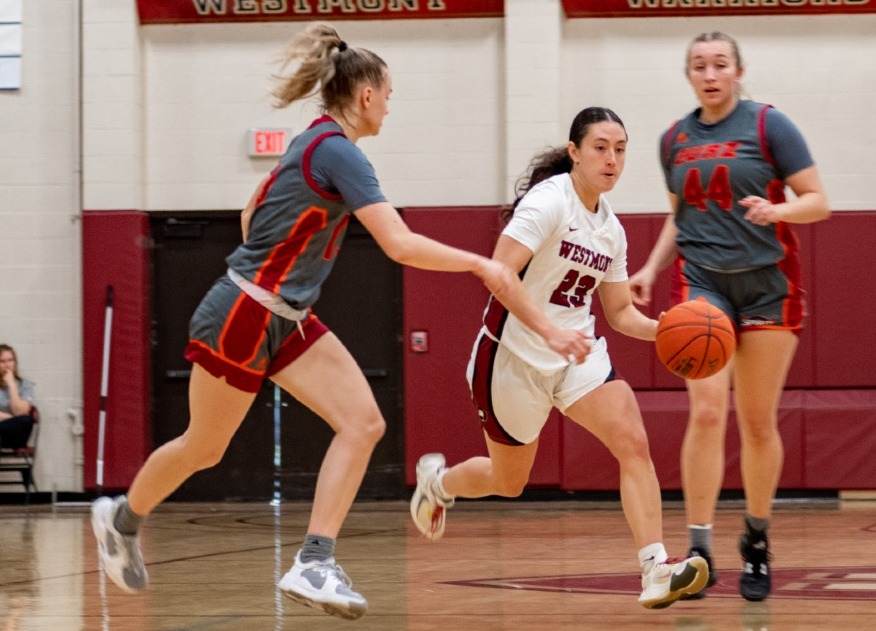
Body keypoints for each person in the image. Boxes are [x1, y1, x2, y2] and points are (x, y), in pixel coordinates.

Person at [90, 22, 526, 621]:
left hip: (284, 317)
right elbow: (397, 243)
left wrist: (283, 283)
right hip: (243, 312)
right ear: (367, 95)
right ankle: (120, 521)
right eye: (390, 96)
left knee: (363, 423)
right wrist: (482, 265)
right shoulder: (340, 151)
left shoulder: (313, 141)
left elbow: (250, 212)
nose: (390, 108)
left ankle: (314, 560)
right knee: (204, 448)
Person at [409, 106, 709, 609]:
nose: (612, 159)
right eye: (600, 148)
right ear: (574, 152)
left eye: (620, 149)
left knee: (633, 441)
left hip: (576, 355)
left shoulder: (611, 229)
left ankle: (655, 568)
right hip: (511, 357)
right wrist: (547, 331)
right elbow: (498, 273)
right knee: (509, 482)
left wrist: (672, 332)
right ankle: (437, 485)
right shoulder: (548, 203)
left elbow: (617, 313)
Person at [628, 31, 830, 601]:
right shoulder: (673, 139)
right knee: (708, 413)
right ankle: (698, 549)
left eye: (720, 64)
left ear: (739, 71)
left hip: (769, 287)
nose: (710, 74)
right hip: (702, 285)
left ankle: (757, 541)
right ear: (688, 75)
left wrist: (778, 209)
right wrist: (648, 267)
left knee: (758, 422)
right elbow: (680, 217)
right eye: (699, 65)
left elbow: (819, 201)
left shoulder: (770, 126)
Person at [0, 344, 35, 450]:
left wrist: (11, 385)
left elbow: (20, 412)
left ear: (15, 362)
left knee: (26, 419)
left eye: (10, 360)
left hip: (15, 436)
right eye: (2, 361)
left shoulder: (26, 385)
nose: (7, 365)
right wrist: (10, 418)